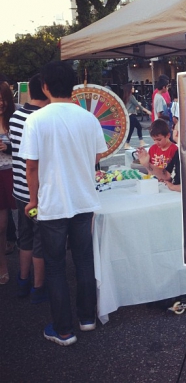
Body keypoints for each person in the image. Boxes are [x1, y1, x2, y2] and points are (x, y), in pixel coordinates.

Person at [19, 61, 107, 346]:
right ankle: (87, 319)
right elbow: (96, 158)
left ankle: (64, 329)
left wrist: (33, 199)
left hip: (52, 204)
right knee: (84, 260)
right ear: (73, 87)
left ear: (45, 87)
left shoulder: (37, 120)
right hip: (84, 201)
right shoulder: (88, 119)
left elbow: (31, 168)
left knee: (56, 266)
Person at [9, 73, 50, 302]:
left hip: (19, 190)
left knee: (24, 237)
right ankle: (39, 288)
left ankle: (22, 281)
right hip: (38, 192)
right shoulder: (42, 119)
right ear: (45, 90)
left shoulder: (15, 117)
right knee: (40, 240)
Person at [0, 80, 16, 284]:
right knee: (1, 226)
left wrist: (8, 148)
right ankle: (2, 264)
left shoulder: (16, 118)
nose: (0, 103)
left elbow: (26, 147)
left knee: (26, 221)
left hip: (16, 172)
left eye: (3, 99)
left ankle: (29, 267)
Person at [137, 119, 180, 192]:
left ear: (168, 135)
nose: (156, 142)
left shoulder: (175, 150)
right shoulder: (153, 148)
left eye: (159, 140)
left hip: (167, 185)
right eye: (154, 140)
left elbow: (170, 175)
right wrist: (146, 164)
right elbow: (150, 171)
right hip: (155, 183)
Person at [122, 83, 151, 149]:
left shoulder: (127, 97)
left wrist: (137, 106)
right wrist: (147, 111)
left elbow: (134, 106)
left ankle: (138, 142)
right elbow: (138, 106)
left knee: (133, 129)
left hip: (129, 116)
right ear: (129, 89)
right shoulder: (131, 96)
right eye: (132, 87)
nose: (133, 88)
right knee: (137, 128)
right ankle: (131, 143)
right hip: (131, 116)